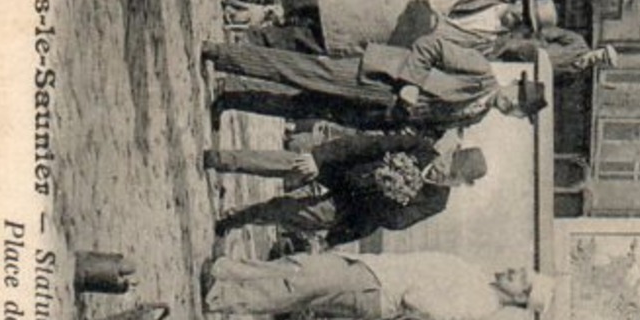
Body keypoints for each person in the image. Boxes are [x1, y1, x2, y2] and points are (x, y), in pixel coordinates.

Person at [229, 0, 618, 73]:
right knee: (323, 3)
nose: (520, 17)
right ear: (520, 2)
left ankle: (259, 38)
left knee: (325, 41)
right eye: (524, 10)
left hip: (396, 37)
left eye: (527, 23)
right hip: (398, 3)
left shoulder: (492, 45)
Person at [203, 35, 524, 134]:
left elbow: (433, 124)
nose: (513, 105)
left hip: (375, 113)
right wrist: (410, 84)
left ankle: (229, 97)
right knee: (297, 70)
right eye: (517, 98)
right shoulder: (480, 72)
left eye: (519, 111)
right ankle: (221, 54)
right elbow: (431, 46)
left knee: (300, 107)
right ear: (512, 85)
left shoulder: (476, 116)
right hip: (378, 80)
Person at [206, 137, 488, 245]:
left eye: (450, 177)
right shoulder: (421, 148)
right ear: (449, 154)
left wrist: (387, 190)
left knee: (282, 211)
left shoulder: (436, 202)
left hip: (349, 207)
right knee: (286, 163)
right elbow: (365, 146)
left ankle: (232, 219)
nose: (441, 171)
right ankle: (219, 159)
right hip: (342, 168)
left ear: (457, 184)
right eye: (446, 163)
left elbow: (395, 222)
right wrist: (319, 156)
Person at [202, 251, 553, 320]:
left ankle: (221, 297)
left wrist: (410, 291)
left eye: (520, 277)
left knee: (299, 287)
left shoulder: (480, 306)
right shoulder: (480, 274)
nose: (512, 269)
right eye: (519, 268)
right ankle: (226, 268)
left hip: (378, 290)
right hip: (374, 269)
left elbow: (430, 308)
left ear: (521, 297)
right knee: (301, 268)